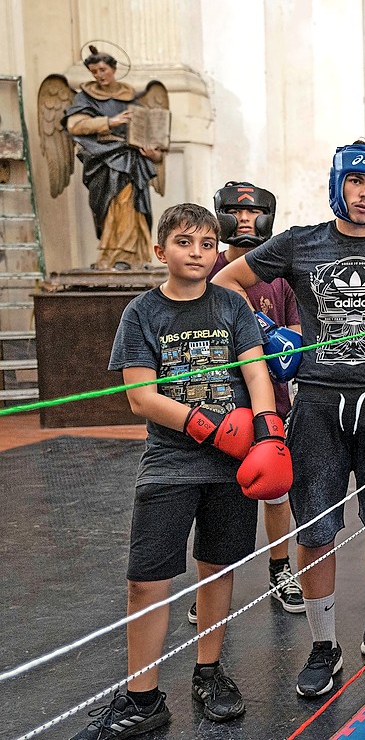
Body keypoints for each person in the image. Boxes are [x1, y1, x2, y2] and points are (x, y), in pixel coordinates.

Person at [212, 140, 365, 697]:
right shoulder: (298, 242)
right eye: (357, 182)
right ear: (338, 182)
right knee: (316, 528)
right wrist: (263, 336)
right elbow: (225, 283)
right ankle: (323, 644)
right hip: (316, 402)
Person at [73, 203, 291, 739]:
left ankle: (209, 671)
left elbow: (256, 373)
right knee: (146, 580)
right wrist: (210, 428)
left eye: (206, 244)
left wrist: (268, 428)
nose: (197, 253)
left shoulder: (231, 306)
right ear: (160, 250)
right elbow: (141, 398)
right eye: (184, 243)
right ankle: (142, 696)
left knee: (217, 568)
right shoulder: (142, 313)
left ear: (218, 250)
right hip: (171, 463)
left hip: (232, 468)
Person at [199, 181, 305, 618]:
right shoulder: (205, 269)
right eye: (236, 212)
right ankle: (209, 587)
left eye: (253, 212)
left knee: (277, 492)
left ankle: (280, 570)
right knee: (215, 495)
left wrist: (282, 344)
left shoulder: (279, 276)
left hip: (271, 402)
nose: (244, 220)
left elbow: (297, 333)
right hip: (217, 403)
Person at [62, 46, 165, 270]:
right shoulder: (85, 98)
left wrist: (153, 153)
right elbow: (74, 125)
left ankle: (128, 256)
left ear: (114, 68)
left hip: (130, 161)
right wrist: (110, 122)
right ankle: (110, 254)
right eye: (94, 71)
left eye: (102, 69)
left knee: (129, 204)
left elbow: (154, 141)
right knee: (107, 207)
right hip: (101, 159)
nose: (99, 75)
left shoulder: (132, 100)